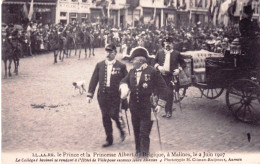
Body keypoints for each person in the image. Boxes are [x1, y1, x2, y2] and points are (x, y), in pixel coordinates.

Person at [120, 47, 168, 157]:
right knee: (136, 131)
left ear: (141, 60)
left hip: (148, 108)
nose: (131, 61)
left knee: (144, 133)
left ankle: (144, 155)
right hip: (134, 107)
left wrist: (160, 104)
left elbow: (164, 88)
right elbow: (124, 81)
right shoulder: (132, 71)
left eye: (134, 59)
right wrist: (124, 87)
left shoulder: (152, 72)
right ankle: (138, 152)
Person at [86, 44, 128, 147]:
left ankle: (121, 129)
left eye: (111, 52)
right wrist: (90, 94)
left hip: (115, 96)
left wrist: (125, 91)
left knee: (114, 115)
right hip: (102, 96)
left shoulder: (121, 66)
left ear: (115, 53)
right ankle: (109, 139)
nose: (108, 54)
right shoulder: (99, 65)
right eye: (107, 52)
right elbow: (94, 79)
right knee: (105, 117)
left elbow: (127, 80)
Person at [153, 36, 186, 118]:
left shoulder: (176, 53)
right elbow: (153, 61)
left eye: (170, 43)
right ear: (164, 44)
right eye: (166, 43)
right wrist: (158, 67)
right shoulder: (159, 52)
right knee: (158, 93)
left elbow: (183, 63)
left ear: (173, 44)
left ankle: (168, 111)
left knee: (169, 93)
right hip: (160, 76)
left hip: (170, 77)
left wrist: (179, 70)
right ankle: (160, 108)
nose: (168, 45)